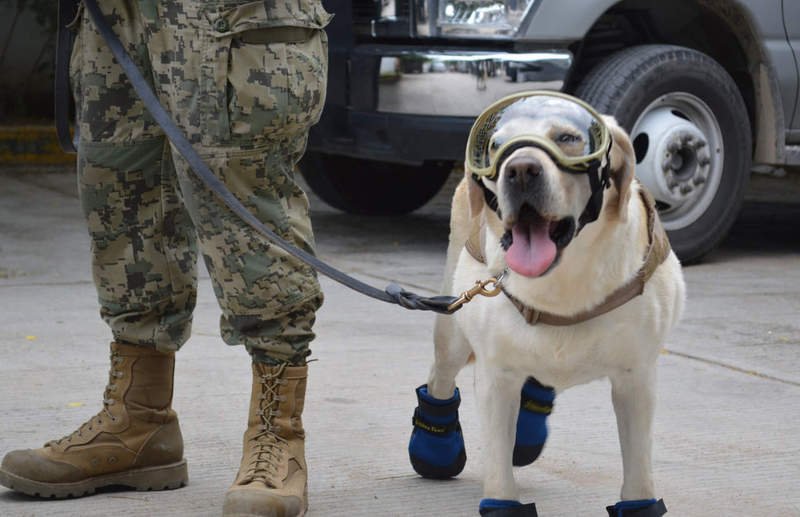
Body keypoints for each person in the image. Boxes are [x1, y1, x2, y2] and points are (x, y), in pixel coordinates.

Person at [0, 1, 331, 515]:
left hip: (230, 15)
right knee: (121, 202)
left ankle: (278, 435)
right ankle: (138, 422)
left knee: (246, 201)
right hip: (116, 13)